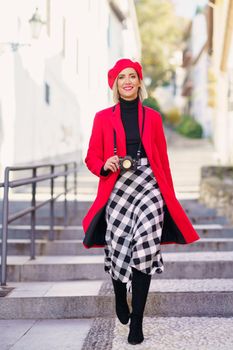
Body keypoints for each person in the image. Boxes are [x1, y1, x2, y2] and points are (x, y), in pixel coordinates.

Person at [82, 58, 200, 345]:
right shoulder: (102, 117)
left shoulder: (154, 118)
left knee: (145, 248)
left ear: (139, 81)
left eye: (132, 76)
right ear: (115, 83)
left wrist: (167, 195)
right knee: (118, 245)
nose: (127, 81)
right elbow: (91, 157)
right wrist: (104, 164)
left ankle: (137, 323)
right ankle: (121, 297)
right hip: (117, 186)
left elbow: (162, 159)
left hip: (148, 185)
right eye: (122, 77)